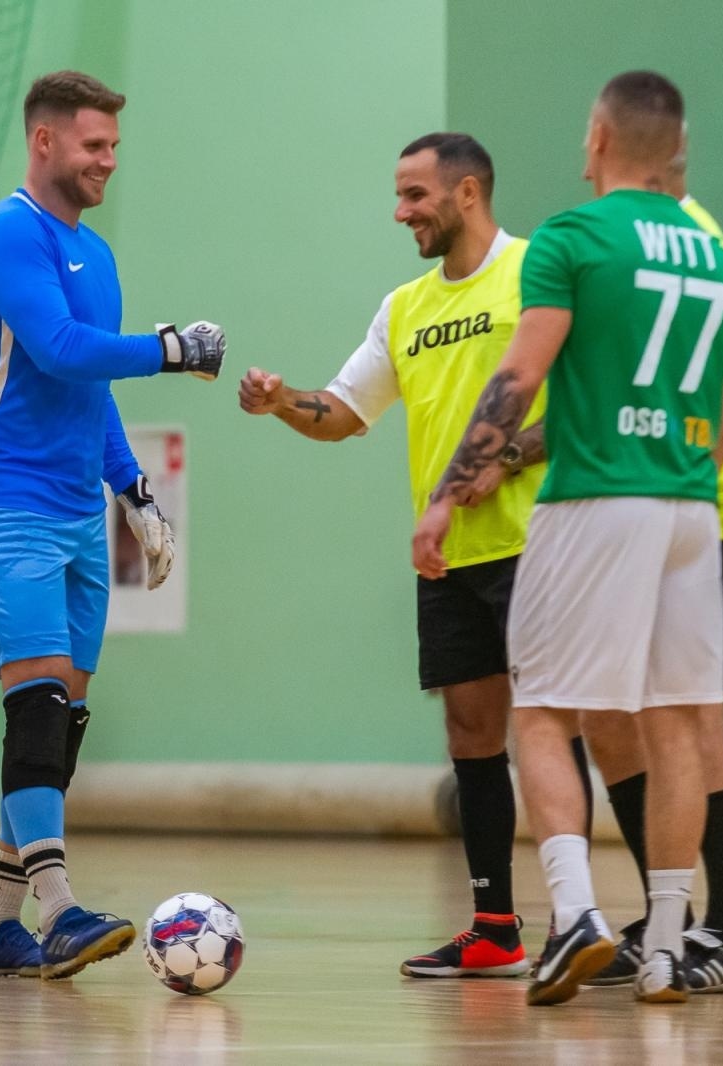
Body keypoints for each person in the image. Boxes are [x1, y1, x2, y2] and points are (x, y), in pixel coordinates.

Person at [412, 71, 723, 1007]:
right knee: (678, 720)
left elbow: (520, 376)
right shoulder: (717, 259)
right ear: (674, 146)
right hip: (688, 503)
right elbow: (720, 425)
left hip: (596, 500)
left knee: (543, 710)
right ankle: (671, 946)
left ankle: (574, 919)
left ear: (599, 136)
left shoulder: (573, 235)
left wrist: (448, 494)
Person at [238, 133, 544, 979]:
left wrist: (507, 460)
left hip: (544, 543)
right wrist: (279, 404)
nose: (400, 211)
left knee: (568, 732)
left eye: (415, 195)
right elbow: (342, 411)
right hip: (451, 557)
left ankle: (611, 922)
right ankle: (495, 928)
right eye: (399, 195)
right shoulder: (403, 306)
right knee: (472, 735)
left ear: (469, 191)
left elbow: (586, 402)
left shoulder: (535, 273)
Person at [0, 70, 224, 981]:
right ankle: (60, 909)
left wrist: (134, 490)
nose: (109, 160)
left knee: (59, 720)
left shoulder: (94, 253)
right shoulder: (4, 235)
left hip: (74, 506)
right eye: (93, 145)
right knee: (32, 700)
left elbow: (87, 384)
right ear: (44, 143)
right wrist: (173, 348)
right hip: (3, 501)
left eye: (113, 145)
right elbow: (63, 348)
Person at [581, 141, 723, 995]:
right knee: (607, 716)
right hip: (653, 491)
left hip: (692, 492)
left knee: (687, 720)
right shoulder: (671, 235)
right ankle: (673, 922)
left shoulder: (680, 238)